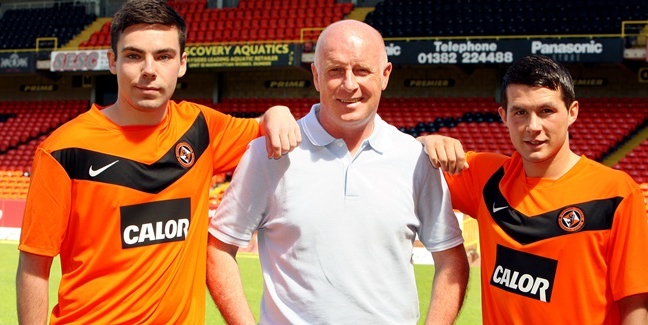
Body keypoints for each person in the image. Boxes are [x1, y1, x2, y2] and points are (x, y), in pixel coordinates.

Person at [15, 1, 300, 324]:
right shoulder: (63, 150)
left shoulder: (202, 128)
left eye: (163, 56)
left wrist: (278, 111)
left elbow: (265, 128)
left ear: (181, 64)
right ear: (113, 61)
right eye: (134, 55)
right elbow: (34, 266)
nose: (149, 69)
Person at [206, 20, 469, 325]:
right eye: (335, 70)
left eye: (362, 70)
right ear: (316, 76)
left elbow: (451, 259)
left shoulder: (415, 159)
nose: (349, 84)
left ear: (385, 76)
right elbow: (218, 251)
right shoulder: (268, 154)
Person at [421, 55, 648, 324]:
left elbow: (635, 305)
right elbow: (400, 169)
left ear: (572, 112)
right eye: (520, 112)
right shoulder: (485, 176)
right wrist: (425, 142)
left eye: (546, 111)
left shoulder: (616, 193)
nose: (533, 127)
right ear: (503, 116)